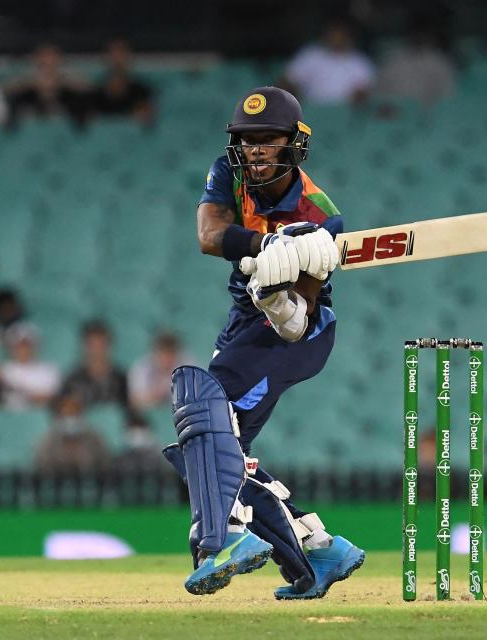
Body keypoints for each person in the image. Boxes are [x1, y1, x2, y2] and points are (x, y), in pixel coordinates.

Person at [161, 86, 364, 599]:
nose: (254, 150)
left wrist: (286, 283)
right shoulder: (227, 174)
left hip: (296, 332)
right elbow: (209, 235)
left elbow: (298, 319)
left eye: (267, 140)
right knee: (220, 457)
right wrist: (266, 245)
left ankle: (223, 538)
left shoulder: (322, 216)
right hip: (243, 323)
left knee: (203, 408)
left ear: (294, 143)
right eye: (247, 140)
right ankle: (317, 553)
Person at [0, 322, 61, 412]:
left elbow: (47, 399)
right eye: (16, 345)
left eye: (26, 344)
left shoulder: (48, 370)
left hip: (35, 419)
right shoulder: (3, 369)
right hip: (4, 417)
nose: (21, 349)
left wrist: (8, 383)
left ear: (35, 345)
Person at [280, 21, 374, 105]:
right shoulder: (309, 55)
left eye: (341, 36)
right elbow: (288, 81)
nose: (337, 40)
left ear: (348, 37)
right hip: (309, 108)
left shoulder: (360, 62)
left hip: (343, 112)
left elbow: (364, 93)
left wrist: (359, 97)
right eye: (333, 36)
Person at [5, 44, 90, 128]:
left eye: (51, 57)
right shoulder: (28, 77)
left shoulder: (67, 75)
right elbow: (6, 90)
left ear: (59, 59)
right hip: (34, 115)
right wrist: (32, 84)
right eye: (44, 56)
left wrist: (59, 82)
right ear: (36, 59)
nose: (48, 61)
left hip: (62, 116)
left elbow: (87, 89)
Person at [35, 390, 111, 475]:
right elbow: (41, 463)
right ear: (58, 415)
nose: (70, 415)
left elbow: (105, 461)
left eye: (74, 411)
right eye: (66, 412)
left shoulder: (93, 436)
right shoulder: (49, 438)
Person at [59, 319, 128, 409]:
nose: (96, 351)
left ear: (109, 346)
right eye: (91, 345)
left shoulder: (121, 379)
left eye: (101, 345)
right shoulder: (73, 380)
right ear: (84, 347)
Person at [88, 39, 155, 127]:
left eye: (121, 55)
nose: (117, 60)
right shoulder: (94, 94)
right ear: (104, 59)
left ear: (129, 58)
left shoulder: (142, 92)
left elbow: (147, 123)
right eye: (113, 55)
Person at [128, 331, 191, 411]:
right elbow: (134, 401)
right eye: (163, 353)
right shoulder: (141, 368)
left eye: (171, 353)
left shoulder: (188, 366)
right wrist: (156, 396)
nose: (167, 359)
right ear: (156, 353)